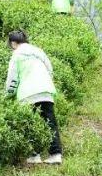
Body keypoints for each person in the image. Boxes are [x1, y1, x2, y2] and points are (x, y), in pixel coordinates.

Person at [6, 30, 62, 164]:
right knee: (50, 122)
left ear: (13, 43)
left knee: (29, 124)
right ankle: (56, 155)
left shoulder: (17, 54)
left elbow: (12, 79)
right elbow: (50, 69)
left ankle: (34, 156)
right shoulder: (39, 51)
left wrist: (8, 94)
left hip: (28, 94)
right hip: (46, 90)